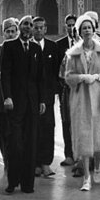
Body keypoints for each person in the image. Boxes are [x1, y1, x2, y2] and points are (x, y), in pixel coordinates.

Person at [64, 14, 100, 191]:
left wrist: (98, 77)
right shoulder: (73, 54)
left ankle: (98, 163)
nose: (87, 30)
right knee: (85, 136)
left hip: (98, 98)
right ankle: (86, 176)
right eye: (83, 28)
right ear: (79, 32)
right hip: (81, 99)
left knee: (98, 134)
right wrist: (81, 77)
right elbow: (68, 77)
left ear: (94, 30)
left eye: (89, 27)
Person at [0, 15, 46, 194]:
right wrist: (7, 97)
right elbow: (4, 73)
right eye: (25, 24)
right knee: (15, 143)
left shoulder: (35, 48)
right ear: (19, 27)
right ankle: (13, 181)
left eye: (30, 25)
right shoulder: (9, 46)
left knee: (30, 144)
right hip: (16, 104)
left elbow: (41, 77)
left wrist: (42, 100)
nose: (28, 27)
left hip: (32, 104)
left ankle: (28, 184)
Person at [32, 16, 59, 178]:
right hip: (32, 98)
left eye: (41, 27)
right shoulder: (27, 47)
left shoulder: (52, 47)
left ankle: (46, 163)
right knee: (33, 130)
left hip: (47, 98)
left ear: (45, 29)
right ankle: (35, 163)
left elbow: (56, 72)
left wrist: (52, 92)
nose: (38, 30)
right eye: (36, 27)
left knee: (48, 129)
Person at [0, 17, 19, 169]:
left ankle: (16, 163)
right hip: (1, 101)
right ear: (3, 34)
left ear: (17, 32)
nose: (10, 34)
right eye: (7, 32)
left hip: (19, 101)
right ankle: (7, 162)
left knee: (17, 133)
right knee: (4, 133)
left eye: (12, 31)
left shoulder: (22, 50)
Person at [56, 13, 77, 168]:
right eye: (68, 25)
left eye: (73, 25)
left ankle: (81, 155)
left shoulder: (84, 43)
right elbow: (56, 70)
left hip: (82, 92)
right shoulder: (59, 45)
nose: (71, 28)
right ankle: (69, 154)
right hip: (66, 91)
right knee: (66, 122)